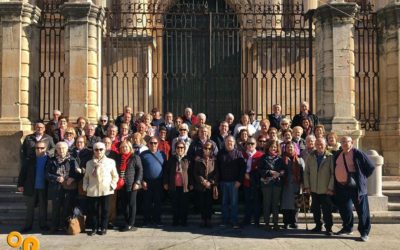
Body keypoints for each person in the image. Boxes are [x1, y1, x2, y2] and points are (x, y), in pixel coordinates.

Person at [333, 136, 375, 242]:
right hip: (341, 186)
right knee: (344, 208)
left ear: (352, 142)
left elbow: (370, 167)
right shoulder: (338, 154)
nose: (344, 144)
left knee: (362, 210)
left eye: (347, 142)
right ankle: (347, 228)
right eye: (342, 142)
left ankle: (364, 232)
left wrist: (361, 177)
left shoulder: (357, 153)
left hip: (355, 187)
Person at [83, 142, 118, 236]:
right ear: (93, 151)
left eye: (101, 149)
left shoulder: (110, 162)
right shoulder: (89, 163)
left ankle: (103, 228)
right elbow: (86, 177)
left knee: (105, 210)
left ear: (104, 150)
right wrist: (85, 186)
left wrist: (112, 186)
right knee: (93, 210)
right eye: (96, 149)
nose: (99, 151)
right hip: (93, 190)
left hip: (106, 189)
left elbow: (115, 176)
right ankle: (94, 228)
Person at [46, 141, 81, 233]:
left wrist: (72, 178)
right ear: (56, 150)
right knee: (56, 208)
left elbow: (78, 174)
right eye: (59, 148)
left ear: (67, 149)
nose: (61, 150)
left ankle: (66, 226)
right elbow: (46, 174)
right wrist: (56, 178)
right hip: (56, 187)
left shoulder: (72, 160)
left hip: (69, 188)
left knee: (67, 207)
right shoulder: (51, 160)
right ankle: (54, 227)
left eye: (64, 148)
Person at [303, 138, 334, 235]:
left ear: (325, 145)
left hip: (325, 189)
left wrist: (330, 187)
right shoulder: (311, 156)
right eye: (317, 144)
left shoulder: (330, 157)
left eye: (321, 144)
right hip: (314, 188)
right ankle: (318, 225)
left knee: (326, 210)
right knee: (315, 209)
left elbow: (333, 174)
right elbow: (306, 172)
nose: (319, 146)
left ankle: (328, 227)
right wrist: (307, 186)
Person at [18, 141, 50, 233]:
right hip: (31, 186)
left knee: (43, 207)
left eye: (42, 148)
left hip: (44, 187)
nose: (39, 150)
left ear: (46, 149)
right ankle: (28, 226)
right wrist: (20, 184)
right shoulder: (29, 159)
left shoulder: (49, 159)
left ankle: (43, 225)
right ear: (34, 149)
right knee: (30, 208)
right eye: (37, 148)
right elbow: (22, 173)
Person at [216, 136, 246, 229]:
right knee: (224, 203)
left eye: (231, 141)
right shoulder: (220, 153)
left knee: (234, 203)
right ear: (225, 143)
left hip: (234, 183)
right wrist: (218, 181)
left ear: (234, 143)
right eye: (228, 141)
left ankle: (234, 222)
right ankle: (224, 221)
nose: (229, 143)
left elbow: (242, 169)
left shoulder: (238, 153)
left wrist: (239, 181)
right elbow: (217, 168)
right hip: (223, 182)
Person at [163, 140, 192, 226]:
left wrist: (191, 184)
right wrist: (165, 183)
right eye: (178, 147)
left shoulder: (187, 159)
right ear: (175, 149)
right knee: (175, 204)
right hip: (174, 186)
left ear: (184, 149)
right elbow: (166, 172)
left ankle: (183, 221)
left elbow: (190, 172)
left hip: (184, 186)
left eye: (182, 147)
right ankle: (175, 221)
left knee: (184, 205)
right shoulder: (171, 159)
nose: (180, 149)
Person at [258, 140, 285, 230]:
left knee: (275, 204)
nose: (273, 148)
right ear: (268, 147)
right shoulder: (263, 158)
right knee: (267, 204)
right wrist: (269, 172)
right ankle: (266, 223)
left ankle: (276, 223)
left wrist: (280, 173)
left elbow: (284, 170)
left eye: (275, 147)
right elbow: (259, 170)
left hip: (277, 184)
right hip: (267, 184)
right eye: (272, 147)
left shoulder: (280, 159)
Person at [116, 141, 143, 232]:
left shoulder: (135, 157)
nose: (124, 148)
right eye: (122, 147)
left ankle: (131, 224)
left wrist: (137, 182)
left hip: (131, 185)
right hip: (121, 185)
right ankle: (127, 223)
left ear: (130, 148)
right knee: (124, 205)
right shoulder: (119, 158)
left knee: (132, 204)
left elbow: (140, 170)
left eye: (126, 147)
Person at [140, 137, 166, 226]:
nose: (153, 145)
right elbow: (140, 169)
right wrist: (142, 180)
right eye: (151, 143)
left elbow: (165, 168)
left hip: (159, 181)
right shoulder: (143, 154)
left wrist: (165, 182)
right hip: (147, 181)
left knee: (158, 201)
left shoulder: (162, 154)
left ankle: (157, 220)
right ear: (148, 144)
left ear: (158, 144)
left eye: (155, 143)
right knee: (147, 202)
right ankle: (146, 220)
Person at [193, 142, 218, 227]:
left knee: (209, 203)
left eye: (209, 149)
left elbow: (216, 173)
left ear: (212, 150)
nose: (207, 150)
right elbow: (195, 173)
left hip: (210, 186)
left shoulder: (214, 160)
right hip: (201, 185)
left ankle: (209, 219)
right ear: (203, 149)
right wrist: (203, 181)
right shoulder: (199, 160)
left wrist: (210, 182)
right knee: (202, 203)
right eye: (206, 148)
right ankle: (203, 219)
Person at [281, 141, 305, 229]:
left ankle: (294, 222)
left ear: (294, 148)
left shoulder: (299, 159)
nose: (290, 148)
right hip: (286, 185)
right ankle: (286, 222)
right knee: (286, 204)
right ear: (285, 149)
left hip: (296, 185)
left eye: (291, 147)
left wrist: (303, 184)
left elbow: (303, 173)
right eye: (288, 147)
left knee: (296, 205)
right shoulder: (282, 159)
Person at [242, 137, 264, 227]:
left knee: (256, 202)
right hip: (245, 182)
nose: (250, 145)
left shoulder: (261, 155)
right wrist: (244, 174)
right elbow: (239, 167)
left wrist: (251, 176)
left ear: (256, 145)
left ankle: (256, 220)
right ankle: (247, 219)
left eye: (252, 143)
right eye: (248, 143)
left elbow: (261, 170)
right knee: (247, 201)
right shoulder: (242, 155)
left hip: (256, 182)